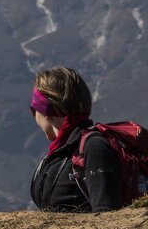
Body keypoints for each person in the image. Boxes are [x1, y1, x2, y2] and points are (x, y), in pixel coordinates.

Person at [28, 66, 123, 213]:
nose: (34, 116)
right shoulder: (61, 152)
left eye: (34, 109)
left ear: (46, 111)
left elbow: (107, 215)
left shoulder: (93, 147)